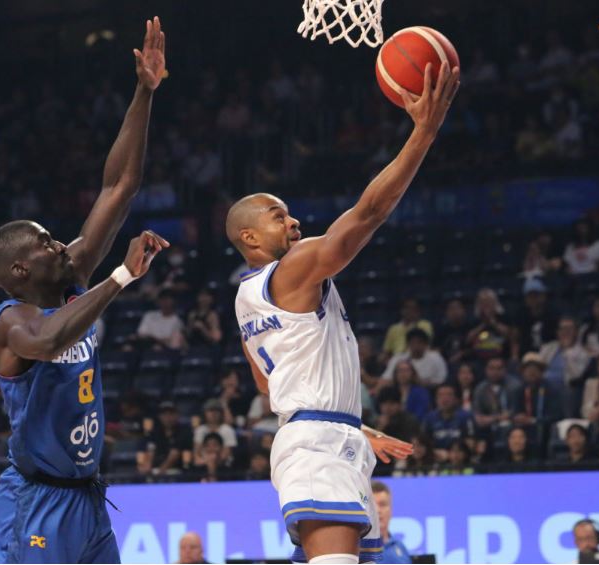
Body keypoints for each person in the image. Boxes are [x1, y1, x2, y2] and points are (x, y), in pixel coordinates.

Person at [229, 62, 458, 563]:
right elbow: (369, 214)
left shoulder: (247, 298)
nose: (293, 221)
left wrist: (355, 426)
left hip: (328, 435)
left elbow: (269, 384)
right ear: (248, 237)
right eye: (277, 215)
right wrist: (423, 133)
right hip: (318, 446)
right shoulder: (290, 271)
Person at [0, 18, 167, 564]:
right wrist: (120, 278)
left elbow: (119, 186)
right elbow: (47, 342)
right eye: (46, 243)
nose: (59, 245)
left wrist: (144, 91)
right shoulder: (10, 321)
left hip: (87, 498)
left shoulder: (71, 277)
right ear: (20, 271)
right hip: (36, 501)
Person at [423, 384, 478, 463]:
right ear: (436, 399)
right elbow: (424, 444)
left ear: (456, 399)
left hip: (461, 461)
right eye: (441, 395)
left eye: (449, 395)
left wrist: (451, 455)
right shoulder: (429, 418)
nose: (445, 399)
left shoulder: (466, 417)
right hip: (436, 460)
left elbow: (471, 443)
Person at [137, 400, 193, 476]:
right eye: (164, 414)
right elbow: (151, 450)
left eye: (171, 414)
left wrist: (161, 472)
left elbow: (174, 454)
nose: (168, 417)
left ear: (177, 415)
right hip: (156, 470)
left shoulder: (183, 432)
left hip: (177, 471)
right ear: (160, 416)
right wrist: (147, 467)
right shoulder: (156, 432)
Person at [381, 328, 448, 388]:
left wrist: (421, 382)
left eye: (419, 342)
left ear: (426, 344)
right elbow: (386, 379)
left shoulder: (436, 357)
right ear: (407, 345)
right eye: (412, 343)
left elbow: (442, 380)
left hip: (429, 391)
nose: (416, 346)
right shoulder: (398, 358)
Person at [540, 316, 590, 387]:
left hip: (567, 389)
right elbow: (538, 368)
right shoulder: (547, 348)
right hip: (544, 387)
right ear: (557, 332)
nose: (565, 332)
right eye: (562, 329)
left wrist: (566, 351)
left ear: (576, 332)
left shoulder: (583, 353)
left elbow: (576, 376)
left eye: (569, 329)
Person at [371, 481, 411, 564]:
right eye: (372, 505)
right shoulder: (360, 549)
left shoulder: (399, 546)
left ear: (391, 510)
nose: (378, 510)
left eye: (382, 504)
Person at [193, 399, 237, 464]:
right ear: (205, 413)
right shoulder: (200, 430)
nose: (213, 414)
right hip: (203, 463)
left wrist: (212, 462)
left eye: (216, 411)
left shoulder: (227, 430)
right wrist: (205, 461)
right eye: (210, 411)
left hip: (224, 465)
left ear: (221, 413)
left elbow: (226, 453)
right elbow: (197, 452)